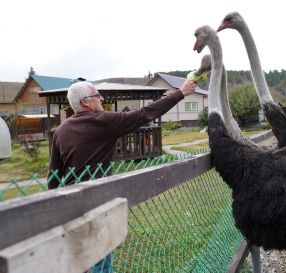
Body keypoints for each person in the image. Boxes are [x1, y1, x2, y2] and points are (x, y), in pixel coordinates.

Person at [47, 79, 197, 273]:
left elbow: (54, 175)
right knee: (101, 259)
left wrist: (54, 208)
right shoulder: (104, 122)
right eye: (97, 95)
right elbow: (145, 113)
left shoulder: (60, 131)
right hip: (96, 202)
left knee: (79, 258)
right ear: (85, 102)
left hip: (69, 203)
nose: (101, 98)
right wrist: (180, 93)